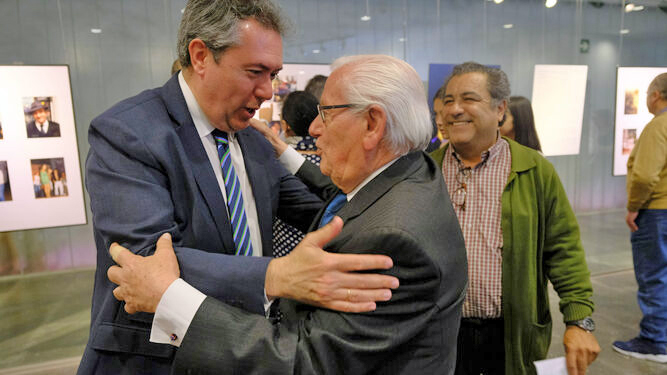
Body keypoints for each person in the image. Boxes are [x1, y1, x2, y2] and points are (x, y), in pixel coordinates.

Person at [79, 1, 398, 374]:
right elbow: (147, 261)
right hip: (156, 360)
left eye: (273, 74)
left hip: (243, 350)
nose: (267, 91)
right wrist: (277, 276)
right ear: (200, 56)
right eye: (254, 72)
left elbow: (322, 209)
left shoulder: (253, 140)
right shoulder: (129, 132)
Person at [108, 54, 467, 374]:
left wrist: (173, 299)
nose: (313, 128)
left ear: (373, 124)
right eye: (254, 71)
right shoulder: (410, 174)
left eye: (326, 113)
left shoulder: (392, 236)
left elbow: (307, 362)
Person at [429, 62, 600, 375]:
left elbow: (563, 249)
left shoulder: (533, 170)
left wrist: (580, 321)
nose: (455, 109)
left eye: (468, 99)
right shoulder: (427, 171)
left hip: (509, 337)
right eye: (448, 100)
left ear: (500, 109)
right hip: (440, 336)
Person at [614, 72, 667, 363]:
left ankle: (655, 340)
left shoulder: (658, 126)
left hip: (657, 212)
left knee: (654, 276)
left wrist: (634, 206)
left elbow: (646, 175)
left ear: (656, 96)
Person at [269, 90, 320, 257]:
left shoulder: (275, 161)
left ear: (286, 125)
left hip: (284, 253)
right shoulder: (331, 160)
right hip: (322, 251)